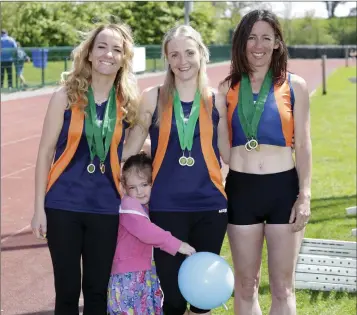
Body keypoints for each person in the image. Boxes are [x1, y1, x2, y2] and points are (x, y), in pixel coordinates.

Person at [30, 22, 139, 315]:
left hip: (105, 208)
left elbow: (130, 149)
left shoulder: (127, 104)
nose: (109, 54)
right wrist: (39, 208)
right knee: (66, 292)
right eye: (102, 46)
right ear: (89, 53)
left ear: (124, 58)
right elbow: (45, 152)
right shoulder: (66, 96)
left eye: (117, 49)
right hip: (63, 205)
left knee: (96, 291)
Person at [122, 25, 230, 315]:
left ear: (202, 54)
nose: (183, 61)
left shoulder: (215, 99)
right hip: (167, 208)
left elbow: (228, 151)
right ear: (167, 59)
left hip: (211, 207)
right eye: (175, 54)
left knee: (202, 298)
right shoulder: (153, 97)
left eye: (189, 53)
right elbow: (130, 147)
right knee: (173, 298)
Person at [219, 9, 312, 315]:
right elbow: (221, 148)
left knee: (283, 287)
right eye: (251, 37)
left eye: (266, 38)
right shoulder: (226, 88)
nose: (257, 45)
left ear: (276, 43)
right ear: (241, 42)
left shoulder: (295, 86)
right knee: (245, 284)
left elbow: (304, 144)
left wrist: (304, 196)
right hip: (242, 189)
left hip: (283, 189)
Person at [108, 152, 196, 315]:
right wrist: (178, 245)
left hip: (145, 274)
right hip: (129, 276)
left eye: (144, 184)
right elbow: (146, 232)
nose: (139, 191)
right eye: (132, 187)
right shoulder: (128, 205)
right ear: (124, 188)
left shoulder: (146, 208)